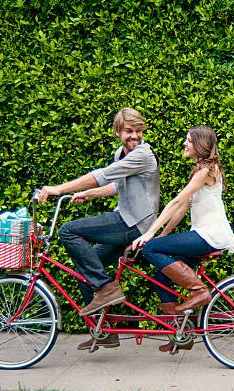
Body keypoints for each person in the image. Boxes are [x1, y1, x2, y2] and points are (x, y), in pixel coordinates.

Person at [39, 108, 160, 350]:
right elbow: (116, 185)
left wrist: (59, 188)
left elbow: (101, 175)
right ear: (118, 132)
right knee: (88, 267)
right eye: (129, 131)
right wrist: (88, 193)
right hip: (124, 217)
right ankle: (105, 331)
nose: (134, 136)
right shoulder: (122, 154)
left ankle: (106, 288)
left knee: (68, 231)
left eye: (138, 131)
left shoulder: (143, 155)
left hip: (135, 223)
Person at [132, 125, 234, 352]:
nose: (184, 143)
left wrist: (149, 235)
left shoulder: (207, 170)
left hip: (209, 235)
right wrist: (162, 235)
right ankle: (179, 333)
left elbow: (174, 202)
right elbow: (181, 207)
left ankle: (199, 291)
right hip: (202, 234)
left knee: (150, 250)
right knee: (160, 279)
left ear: (199, 145)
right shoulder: (201, 171)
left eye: (188, 140)